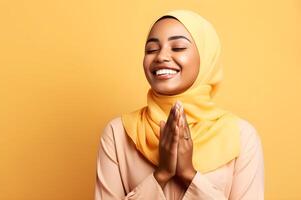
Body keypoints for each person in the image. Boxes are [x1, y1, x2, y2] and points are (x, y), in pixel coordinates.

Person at [94, 10, 264, 200]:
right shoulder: (119, 133)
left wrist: (189, 174)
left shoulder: (240, 136)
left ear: (207, 57)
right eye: (151, 50)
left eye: (178, 47)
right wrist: (162, 174)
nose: (160, 57)